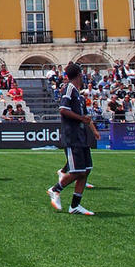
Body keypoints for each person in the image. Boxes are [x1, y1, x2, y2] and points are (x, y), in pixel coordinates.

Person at [47, 62, 100, 215]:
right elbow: (63, 110)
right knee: (77, 171)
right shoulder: (68, 89)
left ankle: (75, 205)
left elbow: (83, 117)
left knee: (86, 170)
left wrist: (91, 128)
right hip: (72, 136)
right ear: (79, 74)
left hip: (81, 137)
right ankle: (55, 189)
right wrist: (80, 118)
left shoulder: (77, 93)